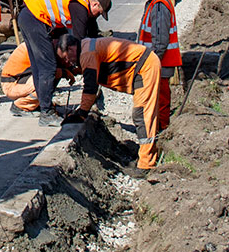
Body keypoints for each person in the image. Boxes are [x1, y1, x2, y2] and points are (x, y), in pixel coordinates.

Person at [17, 0, 110, 126]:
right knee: (48, 67)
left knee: (40, 67)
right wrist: (81, 65)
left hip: (29, 16)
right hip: (35, 18)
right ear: (95, 4)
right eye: (99, 13)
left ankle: (40, 106)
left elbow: (88, 34)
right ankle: (46, 113)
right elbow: (79, 41)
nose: (97, 16)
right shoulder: (80, 6)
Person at [68, 38, 164, 169]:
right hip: (140, 65)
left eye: (66, 57)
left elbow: (90, 88)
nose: (68, 62)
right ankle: (153, 144)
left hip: (144, 67)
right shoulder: (86, 47)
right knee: (144, 113)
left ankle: (146, 164)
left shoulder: (87, 54)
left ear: (71, 49)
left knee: (142, 114)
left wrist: (82, 113)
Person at [134, 0, 180, 165]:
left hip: (159, 65)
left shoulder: (159, 6)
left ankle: (160, 136)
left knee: (160, 103)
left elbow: (159, 42)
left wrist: (150, 63)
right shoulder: (155, 2)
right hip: (157, 64)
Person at [0, 36, 81, 113]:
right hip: (11, 85)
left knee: (54, 74)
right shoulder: (43, 51)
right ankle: (20, 106)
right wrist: (65, 72)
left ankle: (37, 104)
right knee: (46, 80)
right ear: (68, 49)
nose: (69, 61)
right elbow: (47, 74)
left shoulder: (51, 46)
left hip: (22, 78)